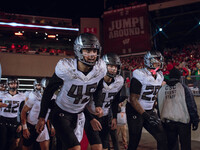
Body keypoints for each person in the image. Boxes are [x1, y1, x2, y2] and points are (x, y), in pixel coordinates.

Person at [36, 32, 107, 150]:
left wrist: (98, 105)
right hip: (61, 112)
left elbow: (99, 88)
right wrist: (42, 116)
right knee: (75, 148)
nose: (92, 55)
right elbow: (49, 91)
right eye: (87, 51)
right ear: (79, 50)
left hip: (80, 113)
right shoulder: (67, 68)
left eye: (94, 51)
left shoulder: (100, 68)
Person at [126, 51, 168, 150]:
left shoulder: (160, 75)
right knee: (134, 141)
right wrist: (146, 116)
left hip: (149, 110)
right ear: (148, 61)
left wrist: (153, 110)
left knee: (162, 137)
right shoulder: (140, 74)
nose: (158, 62)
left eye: (159, 59)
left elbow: (154, 96)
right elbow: (133, 99)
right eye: (155, 59)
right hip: (135, 111)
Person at [85, 53, 124, 150]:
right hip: (90, 115)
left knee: (105, 147)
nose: (114, 69)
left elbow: (115, 101)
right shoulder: (95, 80)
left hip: (105, 117)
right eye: (111, 66)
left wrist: (114, 117)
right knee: (96, 146)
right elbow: (83, 102)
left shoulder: (119, 81)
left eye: (115, 66)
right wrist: (90, 118)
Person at [158, 68, 199, 150]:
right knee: (186, 146)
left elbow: (159, 106)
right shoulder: (183, 88)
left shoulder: (161, 89)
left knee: (172, 146)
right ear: (179, 77)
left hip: (168, 122)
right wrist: (195, 120)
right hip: (183, 122)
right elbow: (191, 105)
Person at [21, 78, 55, 150]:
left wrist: (52, 127)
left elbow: (51, 114)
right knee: (27, 147)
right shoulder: (34, 96)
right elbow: (23, 112)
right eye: (46, 88)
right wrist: (25, 128)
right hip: (31, 125)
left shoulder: (54, 97)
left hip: (43, 126)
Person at [0, 77, 26, 150]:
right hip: (2, 120)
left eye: (15, 84)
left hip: (14, 120)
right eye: (11, 84)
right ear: (8, 85)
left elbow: (22, 111)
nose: (13, 86)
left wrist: (20, 124)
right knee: (2, 142)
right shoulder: (2, 94)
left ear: (17, 85)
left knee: (11, 143)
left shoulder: (22, 96)